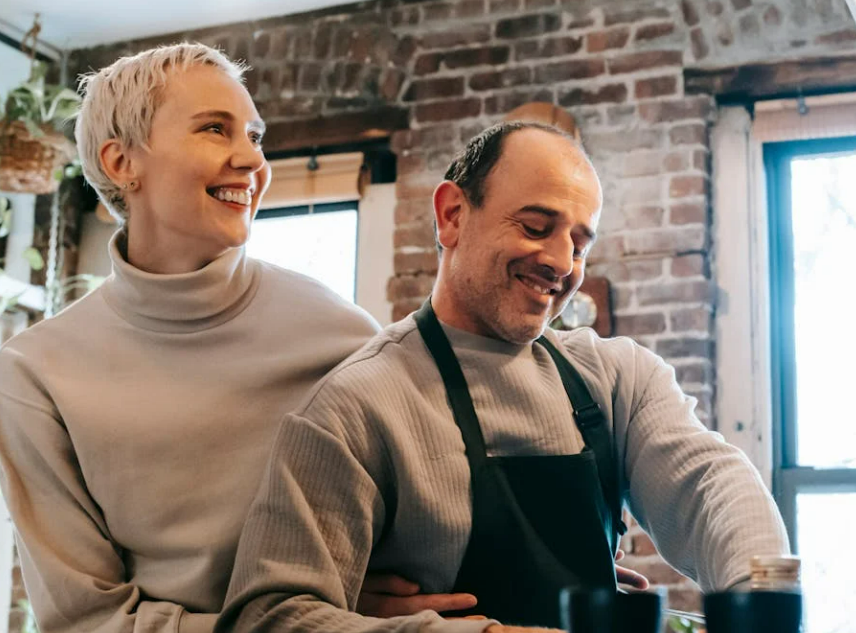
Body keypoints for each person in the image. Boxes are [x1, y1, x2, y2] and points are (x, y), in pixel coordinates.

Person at [215, 122, 791, 633]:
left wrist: (758, 595)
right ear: (452, 215)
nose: (563, 263)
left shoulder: (619, 379)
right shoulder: (355, 405)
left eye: (579, 242)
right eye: (537, 226)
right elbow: (268, 615)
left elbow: (711, 487)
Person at [0, 43, 412, 633]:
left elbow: (406, 546)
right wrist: (304, 623)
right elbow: (87, 622)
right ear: (122, 164)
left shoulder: (342, 334)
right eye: (215, 130)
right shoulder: (33, 374)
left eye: (256, 136)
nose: (252, 160)